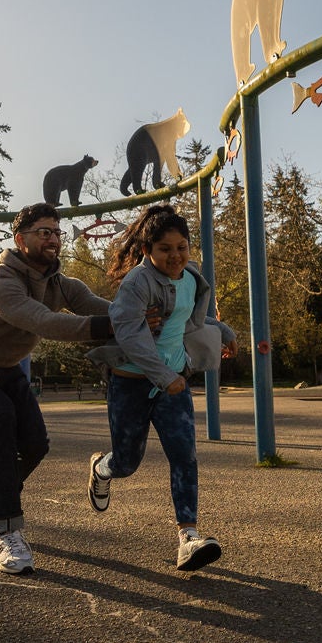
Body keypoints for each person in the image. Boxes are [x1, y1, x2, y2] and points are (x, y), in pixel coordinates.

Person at [0, 202, 116, 574]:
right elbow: (44, 322)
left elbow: (104, 308)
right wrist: (108, 327)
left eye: (56, 232)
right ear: (20, 239)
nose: (52, 239)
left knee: (36, 443)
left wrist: (151, 316)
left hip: (4, 368)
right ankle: (5, 532)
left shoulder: (62, 284)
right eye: (43, 232)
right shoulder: (0, 281)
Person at [86, 204, 234, 572]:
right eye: (166, 249)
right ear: (147, 250)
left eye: (181, 246)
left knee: (184, 455)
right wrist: (164, 377)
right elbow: (132, 337)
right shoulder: (136, 284)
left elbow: (188, 318)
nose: (175, 256)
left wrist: (223, 331)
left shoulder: (191, 277)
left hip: (174, 386)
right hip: (132, 385)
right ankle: (102, 470)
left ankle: (188, 535)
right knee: (127, 462)